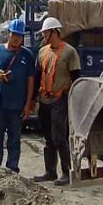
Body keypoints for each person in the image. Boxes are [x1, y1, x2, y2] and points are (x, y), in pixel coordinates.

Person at [34, 16, 81, 184]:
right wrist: (34, 99)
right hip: (44, 100)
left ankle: (67, 173)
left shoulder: (69, 52)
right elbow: (38, 75)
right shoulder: (42, 52)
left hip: (60, 100)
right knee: (48, 138)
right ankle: (50, 172)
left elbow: (76, 78)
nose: (43, 35)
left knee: (59, 137)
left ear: (54, 32)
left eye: (45, 32)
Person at [0, 19, 36, 173]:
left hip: (16, 106)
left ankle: (12, 168)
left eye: (20, 36)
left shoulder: (27, 56)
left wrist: (28, 104)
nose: (17, 39)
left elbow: (30, 81)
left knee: (14, 139)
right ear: (9, 34)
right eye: (15, 35)